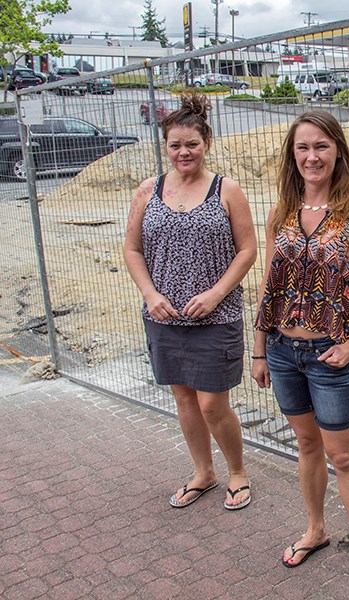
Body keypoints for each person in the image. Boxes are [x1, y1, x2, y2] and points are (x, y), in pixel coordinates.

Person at [251, 111, 349, 600]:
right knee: (308, 447)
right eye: (302, 148)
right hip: (281, 350)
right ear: (292, 156)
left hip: (329, 354)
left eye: (321, 147)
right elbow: (269, 286)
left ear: (338, 153)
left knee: (344, 456)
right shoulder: (281, 215)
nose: (311, 156)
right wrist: (258, 350)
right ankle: (315, 529)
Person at [124, 92, 257, 511]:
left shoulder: (226, 189)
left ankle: (237, 471)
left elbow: (248, 249)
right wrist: (150, 294)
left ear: (207, 143)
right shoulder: (149, 190)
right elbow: (132, 249)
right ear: (165, 147)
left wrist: (217, 293)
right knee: (183, 400)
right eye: (175, 145)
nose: (184, 152)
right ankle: (204, 472)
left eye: (192, 144)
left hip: (215, 318)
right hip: (164, 316)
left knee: (213, 404)